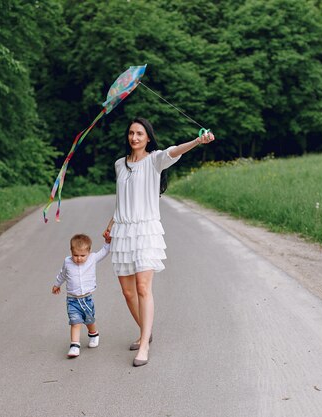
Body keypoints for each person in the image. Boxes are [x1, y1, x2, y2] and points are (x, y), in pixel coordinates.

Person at [103, 117, 215, 367]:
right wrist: (111, 224)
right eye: (131, 133)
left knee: (143, 287)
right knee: (127, 291)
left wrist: (198, 140)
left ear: (148, 138)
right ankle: (146, 329)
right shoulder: (120, 165)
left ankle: (144, 344)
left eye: (140, 134)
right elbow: (123, 199)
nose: (134, 138)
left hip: (146, 230)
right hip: (122, 231)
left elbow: (175, 150)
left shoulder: (155, 160)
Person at [52, 233, 111, 358]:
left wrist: (107, 242)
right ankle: (74, 345)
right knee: (75, 322)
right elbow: (62, 274)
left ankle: (94, 334)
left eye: (82, 255)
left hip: (87, 298)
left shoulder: (92, 258)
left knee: (89, 320)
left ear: (89, 252)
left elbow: (105, 251)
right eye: (76, 255)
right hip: (72, 300)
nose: (79, 258)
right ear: (71, 252)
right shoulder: (67, 262)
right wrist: (57, 284)